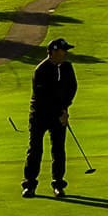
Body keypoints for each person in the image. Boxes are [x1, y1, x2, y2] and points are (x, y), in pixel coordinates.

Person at [22, 37, 78, 199]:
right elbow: (44, 97)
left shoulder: (67, 68)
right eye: (63, 50)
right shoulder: (41, 70)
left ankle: (58, 184)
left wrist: (65, 109)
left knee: (58, 150)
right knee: (35, 149)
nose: (66, 53)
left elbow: (71, 88)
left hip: (59, 114)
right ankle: (29, 185)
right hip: (40, 115)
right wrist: (60, 113)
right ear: (53, 51)